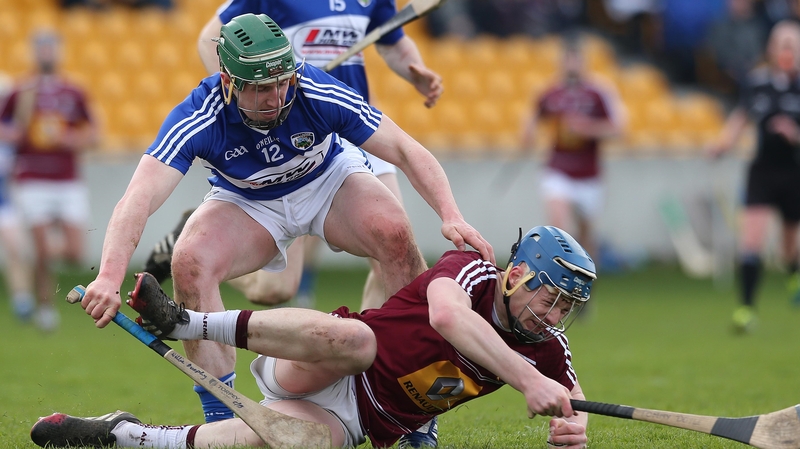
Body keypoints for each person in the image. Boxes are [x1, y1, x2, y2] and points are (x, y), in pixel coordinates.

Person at [80, 11, 492, 433]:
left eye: (281, 84)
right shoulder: (200, 113)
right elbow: (139, 196)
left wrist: (451, 215)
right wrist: (110, 276)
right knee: (190, 260)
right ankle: (222, 421)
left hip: (329, 181)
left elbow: (405, 150)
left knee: (394, 231)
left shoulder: (315, 88)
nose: (276, 98)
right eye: (260, 90)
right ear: (228, 83)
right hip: (249, 199)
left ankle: (418, 422)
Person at [32, 225, 594, 449]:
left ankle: (125, 436)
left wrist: (574, 427)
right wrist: (524, 378)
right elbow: (448, 317)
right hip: (323, 362)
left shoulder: (547, 346)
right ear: (517, 276)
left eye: (567, 307)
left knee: (297, 442)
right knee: (359, 341)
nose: (555, 315)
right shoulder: (471, 269)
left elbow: (574, 401)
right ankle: (186, 323)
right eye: (552, 298)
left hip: (359, 421)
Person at [145, 0, 445, 312]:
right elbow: (209, 38)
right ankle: (191, 243)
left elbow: (392, 41)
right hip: (292, 137)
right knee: (276, 290)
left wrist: (416, 71)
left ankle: (377, 352)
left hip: (357, 129)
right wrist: (241, 98)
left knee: (394, 250)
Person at [0, 29, 97, 332]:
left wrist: (70, 138)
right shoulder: (21, 91)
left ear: (57, 51)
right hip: (32, 178)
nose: (46, 53)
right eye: (40, 47)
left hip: (67, 179)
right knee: (43, 246)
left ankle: (34, 262)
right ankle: (45, 307)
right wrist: (17, 133)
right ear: (34, 52)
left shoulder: (73, 91)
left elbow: (95, 133)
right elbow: (5, 129)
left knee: (76, 253)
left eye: (50, 47)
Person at [707, 20, 800, 332]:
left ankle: (794, 274)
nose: (787, 50)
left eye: (792, 44)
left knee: (790, 246)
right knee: (751, 241)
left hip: (794, 172)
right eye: (782, 44)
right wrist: (723, 144)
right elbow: (741, 117)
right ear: (772, 49)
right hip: (762, 171)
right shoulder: (757, 82)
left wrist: (794, 134)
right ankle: (745, 309)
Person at [519, 35, 624, 267]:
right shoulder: (551, 92)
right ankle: (560, 284)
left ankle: (587, 287)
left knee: (586, 235)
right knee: (558, 228)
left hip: (589, 174)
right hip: (558, 169)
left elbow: (618, 129)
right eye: (567, 59)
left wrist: (586, 129)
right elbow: (532, 118)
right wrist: (528, 134)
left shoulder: (599, 91)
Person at [0, 73, 36, 323]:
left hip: (3, 198)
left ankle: (22, 299)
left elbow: (22, 125)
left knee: (16, 248)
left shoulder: (10, 132)